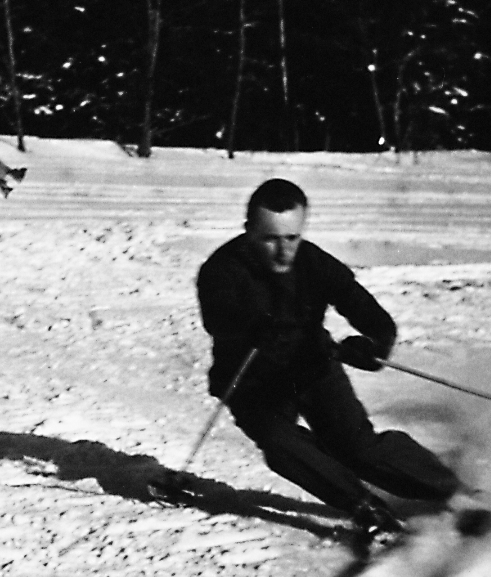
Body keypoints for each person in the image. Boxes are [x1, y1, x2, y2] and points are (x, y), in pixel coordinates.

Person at [196, 178, 463, 545]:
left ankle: (451, 490)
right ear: (249, 232)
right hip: (252, 381)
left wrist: (374, 345)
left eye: (291, 238)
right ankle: (364, 508)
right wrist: (252, 327)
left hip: (312, 366)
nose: (282, 251)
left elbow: (369, 313)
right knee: (280, 443)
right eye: (270, 239)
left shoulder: (314, 263)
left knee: (357, 449)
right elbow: (219, 317)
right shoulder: (221, 269)